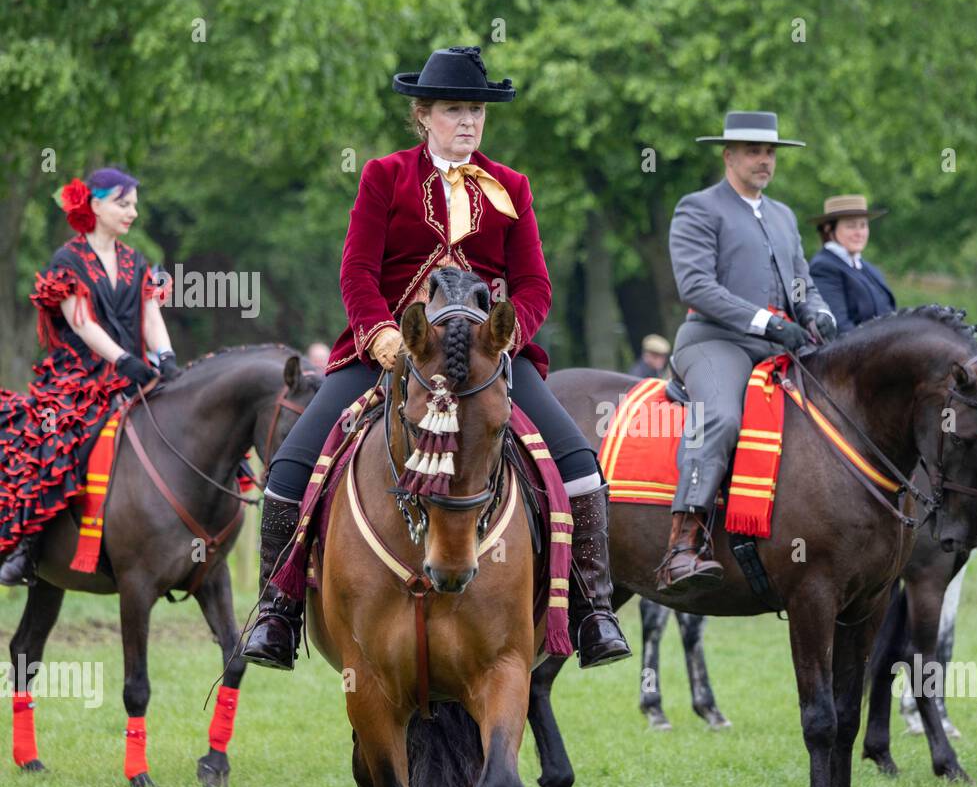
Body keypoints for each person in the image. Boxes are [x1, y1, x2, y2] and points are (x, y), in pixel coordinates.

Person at [240, 45, 630, 670]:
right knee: (289, 469)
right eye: (454, 110)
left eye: (476, 110)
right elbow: (358, 272)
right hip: (390, 352)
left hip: (489, 358)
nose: (468, 122)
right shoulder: (383, 176)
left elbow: (535, 286)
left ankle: (591, 608)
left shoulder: (511, 187)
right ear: (422, 114)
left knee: (581, 464)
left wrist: (504, 338)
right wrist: (384, 337)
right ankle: (276, 615)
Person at [657, 111, 836, 592]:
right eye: (753, 151)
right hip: (715, 343)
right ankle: (683, 544)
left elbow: (803, 284)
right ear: (728, 155)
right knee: (719, 417)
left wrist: (818, 314)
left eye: (770, 152)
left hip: (779, 343)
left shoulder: (782, 215)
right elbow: (696, 285)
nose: (764, 160)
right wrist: (769, 323)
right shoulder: (698, 207)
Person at [0, 168, 177, 586]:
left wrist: (165, 357)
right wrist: (123, 360)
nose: (132, 211)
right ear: (95, 205)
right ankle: (29, 548)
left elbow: (150, 314)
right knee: (57, 442)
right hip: (77, 380)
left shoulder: (137, 262)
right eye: (123, 203)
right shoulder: (68, 260)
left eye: (134, 203)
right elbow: (81, 323)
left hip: (135, 375)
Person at [807, 194, 895, 332]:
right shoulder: (823, 268)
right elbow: (840, 327)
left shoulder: (868, 268)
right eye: (851, 226)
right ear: (828, 229)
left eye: (863, 225)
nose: (859, 233)